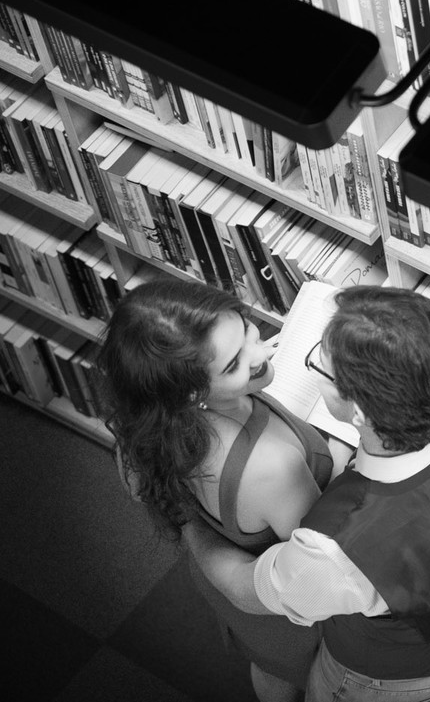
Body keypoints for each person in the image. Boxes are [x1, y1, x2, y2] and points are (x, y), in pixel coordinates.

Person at [183, 285, 430, 702]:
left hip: (396, 678)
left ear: (362, 413)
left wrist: (187, 523)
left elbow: (244, 588)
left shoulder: (331, 549)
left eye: (320, 366)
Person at [99, 279, 351, 702]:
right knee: (305, 676)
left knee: (271, 668)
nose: (264, 352)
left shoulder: (150, 428)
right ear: (195, 392)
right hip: (284, 607)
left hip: (233, 592)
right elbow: (324, 549)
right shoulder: (273, 467)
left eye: (248, 330)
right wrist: (346, 446)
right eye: (234, 364)